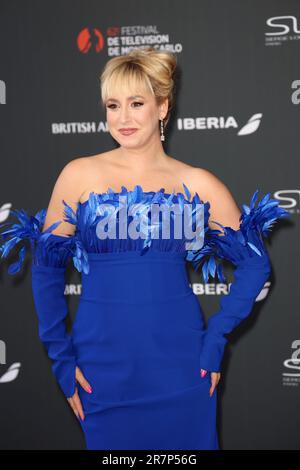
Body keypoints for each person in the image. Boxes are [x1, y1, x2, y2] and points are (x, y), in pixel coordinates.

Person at [0, 47, 289, 450]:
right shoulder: (79, 174)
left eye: (136, 103)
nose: (123, 117)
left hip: (182, 367)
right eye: (113, 105)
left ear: (163, 106)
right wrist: (61, 360)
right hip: (101, 367)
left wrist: (216, 338)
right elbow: (47, 271)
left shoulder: (197, 183)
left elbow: (257, 267)